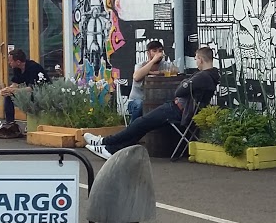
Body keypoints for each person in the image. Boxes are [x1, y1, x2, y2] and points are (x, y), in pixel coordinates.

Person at [85, 46, 219, 160]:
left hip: (177, 110)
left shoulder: (202, 76)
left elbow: (179, 91)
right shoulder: (212, 76)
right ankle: (110, 148)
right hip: (183, 110)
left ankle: (105, 143)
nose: (196, 62)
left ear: (201, 59)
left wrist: (185, 82)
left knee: (140, 123)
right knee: (143, 126)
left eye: (196, 59)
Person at [0, 48, 50, 139]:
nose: (9, 63)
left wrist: (14, 90)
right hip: (29, 91)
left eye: (10, 61)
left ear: (18, 62)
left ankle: (32, 124)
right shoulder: (17, 69)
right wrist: (7, 90)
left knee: (29, 97)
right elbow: (15, 84)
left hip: (41, 92)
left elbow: (32, 89)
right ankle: (10, 123)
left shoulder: (33, 67)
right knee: (8, 96)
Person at [126, 40, 167, 122]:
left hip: (157, 101)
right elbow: (136, 77)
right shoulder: (140, 65)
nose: (158, 54)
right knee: (140, 105)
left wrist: (158, 72)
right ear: (148, 53)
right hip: (136, 101)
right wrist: (153, 61)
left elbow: (175, 70)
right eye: (154, 51)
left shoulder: (165, 65)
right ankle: (133, 128)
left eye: (160, 51)